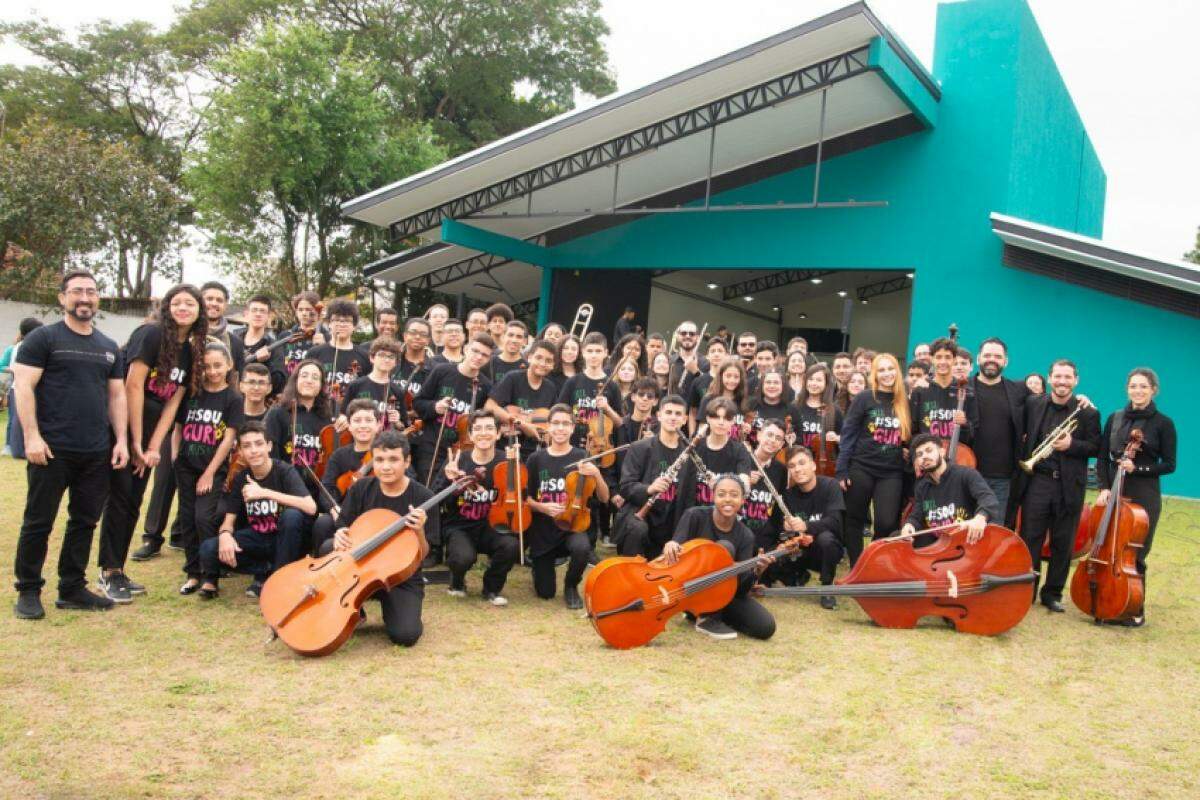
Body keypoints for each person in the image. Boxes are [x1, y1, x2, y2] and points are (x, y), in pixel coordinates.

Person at [12, 270, 128, 619]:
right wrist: (32, 436)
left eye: (90, 292)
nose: (84, 298)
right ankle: (28, 590)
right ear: (62, 298)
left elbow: (117, 395)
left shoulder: (108, 347)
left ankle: (72, 587)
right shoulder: (43, 340)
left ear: (98, 300)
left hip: (95, 451)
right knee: (38, 521)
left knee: (84, 521)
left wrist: (120, 440)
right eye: (76, 291)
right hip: (51, 450)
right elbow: (24, 387)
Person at [98, 283, 206, 602]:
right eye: (177, 302)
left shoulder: (192, 350)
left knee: (133, 500)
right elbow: (132, 386)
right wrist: (133, 441)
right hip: (128, 423)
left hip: (152, 431)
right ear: (168, 306)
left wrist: (153, 446)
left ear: (199, 311)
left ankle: (117, 569)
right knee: (119, 498)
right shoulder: (151, 334)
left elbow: (174, 401)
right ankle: (108, 572)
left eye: (190, 303)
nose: (183, 308)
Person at [1017, 359, 1101, 613]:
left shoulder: (1088, 412)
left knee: (1062, 543)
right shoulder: (1034, 403)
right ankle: (1027, 590)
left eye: (1067, 377)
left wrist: (1072, 445)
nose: (1062, 382)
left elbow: (1096, 447)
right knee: (1030, 537)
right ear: (1049, 378)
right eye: (1058, 376)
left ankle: (1052, 593)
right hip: (1038, 480)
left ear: (1075, 381)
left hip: (1068, 485)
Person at [1094, 367, 1176, 627]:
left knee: (1135, 554)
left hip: (1144, 494)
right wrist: (1105, 487)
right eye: (1133, 386)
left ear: (1153, 390)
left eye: (1143, 386)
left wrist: (1138, 468)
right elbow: (1102, 456)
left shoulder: (1163, 423)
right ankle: (1108, 601)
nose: (1138, 391)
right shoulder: (1115, 418)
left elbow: (1169, 464)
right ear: (1127, 389)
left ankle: (1134, 609)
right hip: (1116, 490)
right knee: (1110, 546)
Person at [200, 421, 318, 599]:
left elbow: (311, 507)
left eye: (259, 443)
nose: (254, 450)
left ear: (269, 446)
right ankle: (265, 570)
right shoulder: (241, 478)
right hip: (259, 539)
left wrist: (265, 493)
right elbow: (229, 520)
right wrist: (225, 535)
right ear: (240, 451)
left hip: (287, 539)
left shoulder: (284, 471)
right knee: (209, 548)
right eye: (247, 446)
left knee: (292, 516)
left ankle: (279, 578)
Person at [661, 474, 777, 641]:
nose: (728, 499)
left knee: (766, 627)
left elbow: (741, 590)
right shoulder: (694, 516)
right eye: (721, 494)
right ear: (713, 496)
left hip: (724, 595)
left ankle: (707, 614)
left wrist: (757, 571)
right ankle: (707, 618)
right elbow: (675, 551)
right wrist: (671, 544)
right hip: (691, 589)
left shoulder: (746, 535)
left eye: (734, 495)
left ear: (743, 500)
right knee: (724, 549)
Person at [174, 342, 244, 595]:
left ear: (229, 365)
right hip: (185, 466)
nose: (212, 371)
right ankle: (193, 573)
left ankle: (210, 575)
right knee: (187, 519)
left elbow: (228, 439)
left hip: (212, 468)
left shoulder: (233, 398)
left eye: (218, 365)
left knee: (203, 517)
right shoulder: (193, 392)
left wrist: (209, 472)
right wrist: (175, 455)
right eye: (206, 366)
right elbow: (180, 427)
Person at [524, 405, 607, 608]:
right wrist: (542, 508)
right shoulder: (536, 459)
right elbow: (525, 499)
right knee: (545, 593)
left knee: (582, 548)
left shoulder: (582, 456)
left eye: (565, 423)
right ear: (548, 426)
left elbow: (604, 498)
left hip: (573, 525)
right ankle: (539, 568)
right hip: (543, 530)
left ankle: (571, 585)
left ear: (572, 428)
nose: (560, 428)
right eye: (556, 423)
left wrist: (596, 473)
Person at [835, 353, 911, 566]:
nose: (887, 374)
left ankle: (873, 563)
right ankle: (857, 566)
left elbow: (911, 435)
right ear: (874, 374)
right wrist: (841, 469)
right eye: (882, 370)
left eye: (891, 369)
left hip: (891, 471)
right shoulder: (865, 398)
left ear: (897, 371)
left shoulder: (905, 401)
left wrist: (907, 450)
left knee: (886, 522)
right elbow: (848, 434)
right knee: (854, 519)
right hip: (861, 467)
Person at [438, 410, 519, 605]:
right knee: (462, 557)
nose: (484, 433)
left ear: (498, 434)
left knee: (511, 545)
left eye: (490, 428)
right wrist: (452, 483)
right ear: (471, 435)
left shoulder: (507, 461)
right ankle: (457, 582)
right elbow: (436, 499)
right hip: (460, 526)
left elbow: (518, 499)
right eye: (478, 429)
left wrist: (516, 468)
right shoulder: (457, 461)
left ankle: (491, 588)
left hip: (492, 525)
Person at [412, 333, 494, 500]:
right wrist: (435, 407)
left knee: (449, 497)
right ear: (465, 349)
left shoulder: (485, 386)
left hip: (460, 450)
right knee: (425, 492)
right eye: (475, 351)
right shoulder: (442, 371)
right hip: (432, 444)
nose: (478, 357)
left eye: (484, 355)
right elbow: (418, 402)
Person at [614, 394, 691, 558]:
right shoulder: (640, 448)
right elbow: (625, 486)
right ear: (659, 416)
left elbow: (689, 497)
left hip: (671, 519)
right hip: (642, 516)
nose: (673, 417)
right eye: (668, 412)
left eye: (678, 414)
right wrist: (649, 488)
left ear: (685, 419)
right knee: (637, 528)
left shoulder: (690, 454)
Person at [900, 433, 999, 548]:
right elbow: (916, 515)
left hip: (965, 542)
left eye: (929, 450)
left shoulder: (966, 474)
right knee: (897, 540)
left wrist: (980, 518)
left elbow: (988, 498)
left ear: (942, 452)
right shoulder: (922, 486)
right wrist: (909, 525)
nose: (924, 456)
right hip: (938, 544)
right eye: (920, 454)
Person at [312, 400, 384, 556]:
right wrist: (333, 508)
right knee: (323, 523)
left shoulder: (386, 454)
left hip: (375, 515)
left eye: (369, 420)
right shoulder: (339, 455)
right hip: (346, 514)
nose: (363, 425)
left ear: (379, 425)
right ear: (349, 427)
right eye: (357, 421)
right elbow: (326, 488)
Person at [264, 359, 335, 515]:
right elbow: (270, 455)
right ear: (295, 380)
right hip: (287, 491)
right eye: (304, 375)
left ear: (322, 385)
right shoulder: (278, 412)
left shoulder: (328, 418)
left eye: (315, 377)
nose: (309, 380)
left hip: (318, 491)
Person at [971, 337, 1030, 524]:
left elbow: (1047, 404)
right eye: (987, 355)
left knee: (993, 535)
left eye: (997, 356)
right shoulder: (961, 389)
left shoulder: (1019, 391)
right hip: (966, 474)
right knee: (960, 531)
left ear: (1006, 361)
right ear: (978, 358)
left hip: (1002, 479)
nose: (992, 359)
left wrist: (1081, 401)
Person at [778, 446, 845, 607]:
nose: (797, 469)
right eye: (792, 466)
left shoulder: (831, 486)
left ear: (813, 465)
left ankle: (827, 587)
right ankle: (798, 574)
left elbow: (835, 522)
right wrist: (786, 526)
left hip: (827, 551)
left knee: (826, 539)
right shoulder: (788, 495)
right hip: (802, 550)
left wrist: (805, 525)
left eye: (802, 463)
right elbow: (782, 532)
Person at [486, 338, 559, 459]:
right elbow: (490, 406)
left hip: (535, 452)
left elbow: (551, 420)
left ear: (553, 365)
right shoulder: (513, 378)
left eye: (548, 361)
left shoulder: (550, 388)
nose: (542, 363)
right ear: (529, 357)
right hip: (507, 449)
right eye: (539, 358)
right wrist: (522, 425)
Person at [909, 337, 977, 456]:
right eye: (938, 357)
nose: (943, 362)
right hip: (927, 458)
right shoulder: (920, 391)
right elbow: (913, 430)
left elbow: (974, 433)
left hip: (957, 457)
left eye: (948, 357)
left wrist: (964, 424)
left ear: (954, 359)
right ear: (931, 359)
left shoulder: (967, 391)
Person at [739, 419, 789, 581]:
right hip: (738, 529)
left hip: (762, 534)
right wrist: (744, 483)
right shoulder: (742, 460)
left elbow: (776, 508)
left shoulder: (781, 470)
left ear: (782, 444)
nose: (772, 440)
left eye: (778, 438)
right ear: (759, 435)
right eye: (769, 434)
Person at [557, 331, 623, 449]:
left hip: (601, 447)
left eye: (598, 351)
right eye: (590, 351)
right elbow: (559, 414)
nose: (593, 355)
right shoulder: (572, 382)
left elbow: (620, 423)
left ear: (605, 353)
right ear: (582, 352)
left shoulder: (613, 386)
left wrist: (607, 408)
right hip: (573, 445)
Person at [687, 397, 754, 506]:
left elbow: (745, 485)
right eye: (716, 417)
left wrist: (721, 481)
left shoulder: (740, 450)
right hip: (693, 511)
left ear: (733, 421)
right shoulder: (695, 445)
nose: (721, 422)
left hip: (724, 512)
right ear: (707, 419)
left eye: (727, 418)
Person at [306, 299, 370, 411]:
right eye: (336, 320)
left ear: (354, 326)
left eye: (346, 321)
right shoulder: (314, 353)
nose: (341, 324)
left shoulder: (364, 356)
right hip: (318, 412)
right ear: (329, 324)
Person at [339, 337, 406, 431]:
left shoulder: (397, 391)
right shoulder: (356, 385)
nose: (386, 360)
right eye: (381, 355)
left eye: (391, 357)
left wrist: (397, 421)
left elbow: (403, 426)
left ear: (395, 362)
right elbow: (343, 415)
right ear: (372, 358)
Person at [2, 316, 43, 459]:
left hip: (17, 386)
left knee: (16, 419)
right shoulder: (27, 346)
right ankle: (17, 450)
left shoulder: (18, 345)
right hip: (22, 386)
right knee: (19, 419)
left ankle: (16, 448)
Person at [270, 291, 328, 389]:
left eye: (308, 309)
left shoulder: (327, 338)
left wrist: (325, 347)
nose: (304, 313)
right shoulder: (285, 336)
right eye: (300, 310)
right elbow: (278, 365)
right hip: (289, 388)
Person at [793, 363, 842, 472]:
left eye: (819, 380)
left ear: (826, 384)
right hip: (798, 463)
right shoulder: (795, 407)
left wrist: (836, 438)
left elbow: (845, 439)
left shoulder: (835, 410)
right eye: (811, 379)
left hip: (823, 465)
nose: (814, 383)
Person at [199, 281, 246, 377]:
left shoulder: (235, 343)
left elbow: (238, 377)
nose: (214, 303)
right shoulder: (185, 334)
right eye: (209, 299)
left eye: (219, 300)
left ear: (225, 305)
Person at [694, 358, 749, 439]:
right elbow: (702, 430)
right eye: (728, 376)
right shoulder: (708, 399)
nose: (732, 380)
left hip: (734, 448)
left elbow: (739, 434)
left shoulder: (742, 401)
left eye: (736, 377)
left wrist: (745, 430)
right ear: (721, 376)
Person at [685, 337, 728, 430]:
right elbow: (693, 412)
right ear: (707, 356)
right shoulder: (698, 381)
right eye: (712, 351)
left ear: (727, 355)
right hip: (702, 433)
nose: (716, 354)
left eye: (720, 351)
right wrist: (692, 436)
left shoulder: (731, 382)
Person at [667, 321, 707, 397]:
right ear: (678, 336)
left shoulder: (706, 363)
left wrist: (696, 372)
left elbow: (705, 394)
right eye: (683, 333)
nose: (688, 336)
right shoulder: (670, 361)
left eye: (692, 334)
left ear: (698, 338)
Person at [239, 294, 276, 369]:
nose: (258, 314)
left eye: (262, 311)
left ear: (268, 316)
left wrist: (267, 362)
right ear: (246, 314)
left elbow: (280, 379)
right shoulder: (234, 341)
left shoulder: (274, 346)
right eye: (254, 310)